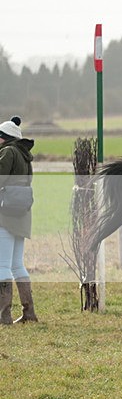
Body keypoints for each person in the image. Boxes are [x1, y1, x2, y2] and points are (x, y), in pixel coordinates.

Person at [0, 116, 37, 324]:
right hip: (21, 215)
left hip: (5, 215)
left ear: (3, 138)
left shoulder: (7, 152)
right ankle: (29, 313)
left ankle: (3, 315)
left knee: (2, 266)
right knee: (16, 265)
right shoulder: (24, 155)